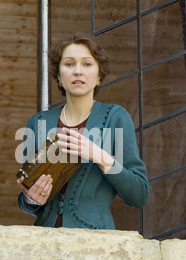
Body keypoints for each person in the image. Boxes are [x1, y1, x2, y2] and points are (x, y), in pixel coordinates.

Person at [16, 33, 149, 230]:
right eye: (69, 64)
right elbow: (27, 202)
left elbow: (139, 195)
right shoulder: (38, 122)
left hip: (96, 244)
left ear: (98, 76)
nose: (78, 71)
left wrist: (100, 157)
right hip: (45, 242)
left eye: (87, 64)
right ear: (59, 76)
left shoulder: (115, 118)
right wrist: (31, 199)